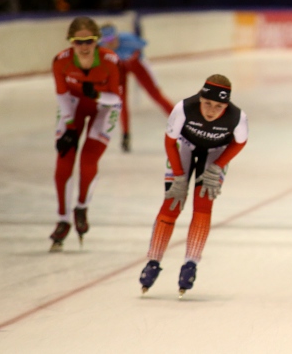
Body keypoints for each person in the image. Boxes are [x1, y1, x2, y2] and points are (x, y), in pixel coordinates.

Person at [138, 75, 248, 297]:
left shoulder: (237, 117)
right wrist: (178, 176)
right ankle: (153, 260)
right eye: (207, 103)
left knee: (203, 203)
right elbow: (170, 142)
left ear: (227, 105)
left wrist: (217, 167)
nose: (211, 111)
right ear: (199, 97)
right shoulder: (184, 108)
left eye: (219, 107)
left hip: (216, 154)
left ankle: (190, 264)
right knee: (172, 202)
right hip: (185, 149)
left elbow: (240, 143)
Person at [50, 16, 122, 251]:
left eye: (89, 41)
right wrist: (70, 126)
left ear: (97, 41)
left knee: (88, 159)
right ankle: (63, 219)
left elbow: (115, 98)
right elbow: (62, 95)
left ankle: (81, 206)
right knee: (63, 162)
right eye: (77, 42)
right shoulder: (61, 61)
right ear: (70, 41)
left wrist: (97, 95)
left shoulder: (110, 61)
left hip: (104, 108)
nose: (83, 46)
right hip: (73, 106)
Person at [99, 24, 174, 152]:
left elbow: (142, 45)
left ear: (117, 36)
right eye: (106, 41)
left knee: (156, 95)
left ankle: (183, 123)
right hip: (119, 69)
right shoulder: (100, 48)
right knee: (120, 102)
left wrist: (134, 56)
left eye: (112, 39)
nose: (110, 43)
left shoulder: (129, 40)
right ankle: (125, 135)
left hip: (136, 64)